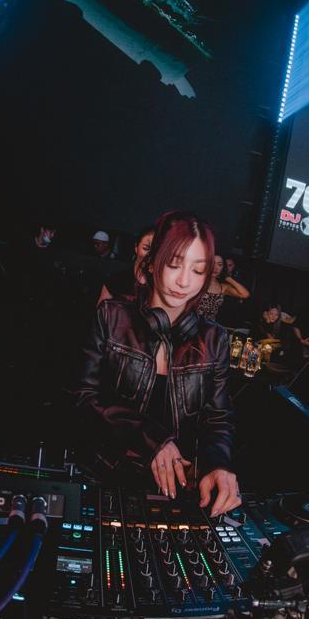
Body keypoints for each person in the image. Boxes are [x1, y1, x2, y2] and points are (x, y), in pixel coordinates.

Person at [75, 211, 241, 517]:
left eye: (198, 270)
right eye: (174, 264)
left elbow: (218, 419)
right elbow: (83, 398)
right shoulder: (111, 317)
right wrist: (152, 439)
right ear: (152, 263)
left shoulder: (214, 338)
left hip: (177, 492)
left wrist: (219, 464)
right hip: (104, 477)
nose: (184, 281)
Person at [97, 225, 154, 304]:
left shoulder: (162, 286)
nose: (150, 255)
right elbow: (102, 309)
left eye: (156, 250)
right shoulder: (116, 280)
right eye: (146, 248)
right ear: (136, 247)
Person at [197, 254, 250, 321]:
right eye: (213, 263)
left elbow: (245, 294)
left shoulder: (222, 287)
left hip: (209, 324)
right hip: (190, 322)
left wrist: (227, 277)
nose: (215, 268)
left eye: (219, 265)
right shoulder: (197, 280)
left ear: (223, 268)